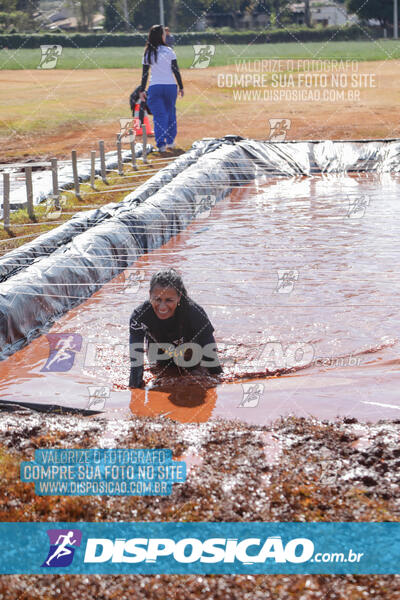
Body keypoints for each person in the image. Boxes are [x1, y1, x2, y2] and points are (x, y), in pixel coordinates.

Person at [129, 268, 223, 388]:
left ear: (179, 297)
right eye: (157, 299)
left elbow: (212, 358)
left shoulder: (195, 313)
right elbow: (136, 361)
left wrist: (217, 383)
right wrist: (134, 389)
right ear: (149, 295)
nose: (162, 307)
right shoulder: (139, 317)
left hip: (192, 357)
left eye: (169, 300)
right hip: (161, 357)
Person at [139, 24, 184, 152]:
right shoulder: (169, 51)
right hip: (170, 87)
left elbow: (145, 74)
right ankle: (170, 142)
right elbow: (176, 70)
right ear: (162, 36)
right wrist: (181, 86)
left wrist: (142, 90)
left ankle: (161, 145)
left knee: (159, 116)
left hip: (155, 87)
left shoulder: (148, 53)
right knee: (170, 113)